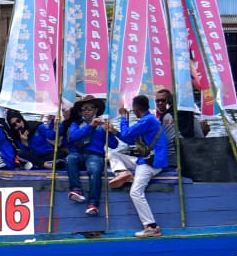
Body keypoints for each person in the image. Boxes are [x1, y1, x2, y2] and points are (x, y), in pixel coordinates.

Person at [105, 94, 170, 238]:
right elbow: (128, 139)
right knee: (114, 155)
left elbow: (127, 133)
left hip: (151, 162)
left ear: (135, 108)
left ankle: (151, 226)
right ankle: (122, 173)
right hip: (144, 159)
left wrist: (122, 116)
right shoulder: (147, 119)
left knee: (135, 192)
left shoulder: (148, 120)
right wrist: (113, 131)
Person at [63, 96, 109, 216]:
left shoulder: (102, 124)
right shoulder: (76, 124)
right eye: (83, 109)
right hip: (78, 153)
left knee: (95, 169)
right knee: (70, 159)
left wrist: (110, 131)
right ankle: (75, 190)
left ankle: (93, 203)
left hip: (95, 155)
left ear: (95, 110)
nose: (86, 111)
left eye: (89, 108)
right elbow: (73, 137)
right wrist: (90, 126)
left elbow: (113, 145)